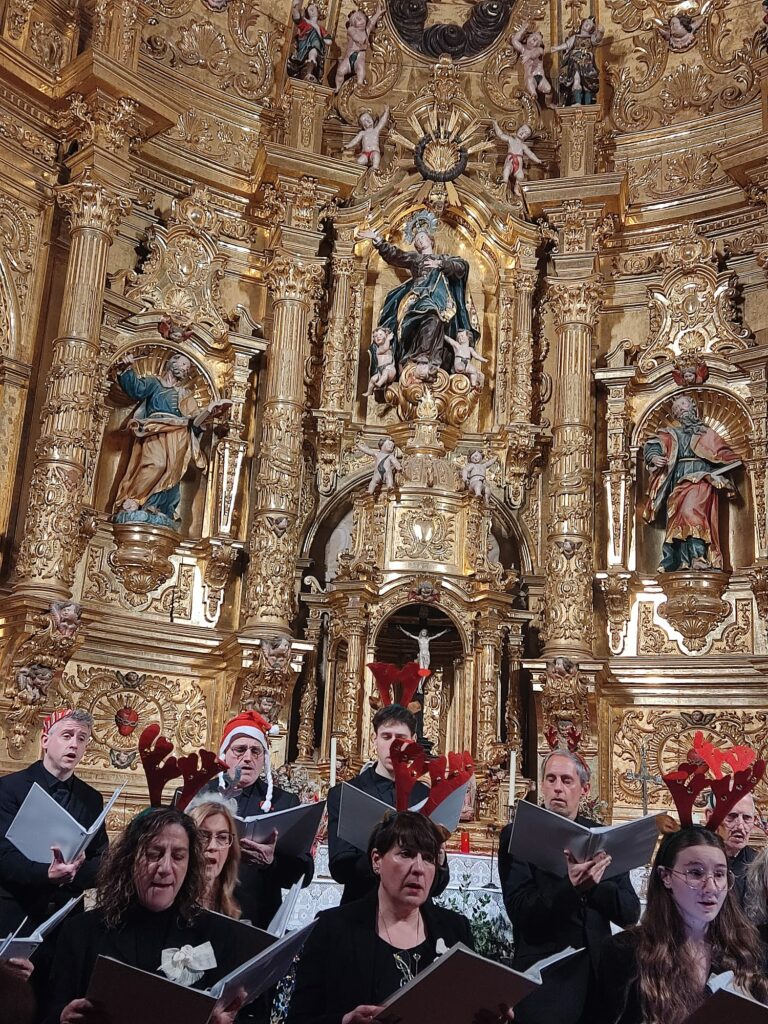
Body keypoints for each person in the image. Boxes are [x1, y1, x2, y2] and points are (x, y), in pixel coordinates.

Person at [42, 807, 246, 1024]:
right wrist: (63, 1017)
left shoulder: (217, 934)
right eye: (153, 854)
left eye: (178, 857)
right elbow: (50, 1012)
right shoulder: (81, 931)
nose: (165, 868)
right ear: (130, 859)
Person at [286, 812, 484, 1024]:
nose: (418, 868)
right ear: (376, 860)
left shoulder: (454, 929)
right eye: (406, 854)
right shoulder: (333, 928)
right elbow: (298, 1019)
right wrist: (344, 1021)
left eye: (428, 858)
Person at [498, 751, 640, 1024]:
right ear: (542, 785)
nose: (557, 788)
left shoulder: (604, 838)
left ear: (584, 789)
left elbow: (629, 912)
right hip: (546, 981)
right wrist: (571, 888)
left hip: (600, 982)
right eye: (550, 779)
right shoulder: (519, 833)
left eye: (566, 780)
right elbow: (522, 913)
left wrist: (592, 886)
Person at [595, 826, 768, 1024]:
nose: (711, 887)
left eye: (719, 874)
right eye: (695, 873)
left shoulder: (745, 948)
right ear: (665, 876)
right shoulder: (626, 951)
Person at [194, 712, 314, 929]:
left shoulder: (284, 802)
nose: (248, 758)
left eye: (256, 751)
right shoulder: (196, 794)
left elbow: (303, 874)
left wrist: (271, 862)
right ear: (225, 754)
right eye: (240, 750)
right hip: (200, 912)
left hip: (258, 917)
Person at [326, 705, 450, 905]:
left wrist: (440, 860)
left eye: (401, 738)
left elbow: (438, 885)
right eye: (386, 737)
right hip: (363, 908)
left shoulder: (426, 796)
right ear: (374, 739)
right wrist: (387, 857)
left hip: (415, 911)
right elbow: (340, 868)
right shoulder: (344, 794)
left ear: (413, 742)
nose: (394, 746)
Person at [0, 709, 107, 933]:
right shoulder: (9, 788)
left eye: (82, 739)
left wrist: (74, 871)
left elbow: (100, 858)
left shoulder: (92, 799)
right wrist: (46, 874)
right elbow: (3, 854)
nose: (74, 744)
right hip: (15, 913)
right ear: (45, 741)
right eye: (67, 736)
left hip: (67, 920)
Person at [113, 351, 230, 528]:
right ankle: (134, 499)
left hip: (178, 437)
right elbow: (136, 389)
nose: (185, 369)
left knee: (173, 473)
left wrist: (209, 413)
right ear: (172, 363)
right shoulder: (155, 383)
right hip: (155, 431)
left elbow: (194, 423)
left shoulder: (186, 395)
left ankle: (155, 506)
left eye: (188, 368)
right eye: (183, 364)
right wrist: (126, 369)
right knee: (156, 464)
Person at [359, 210, 479, 375]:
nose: (419, 240)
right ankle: (418, 356)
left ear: (430, 240)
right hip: (417, 297)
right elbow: (396, 255)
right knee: (425, 317)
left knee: (435, 319)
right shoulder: (415, 258)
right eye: (416, 240)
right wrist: (378, 241)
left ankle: (428, 358)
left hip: (439, 299)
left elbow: (462, 267)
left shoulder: (443, 259)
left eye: (422, 237)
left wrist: (440, 264)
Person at [643, 393, 740, 571]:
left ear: (693, 407)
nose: (680, 410)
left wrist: (732, 460)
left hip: (702, 478)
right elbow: (653, 445)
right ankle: (683, 561)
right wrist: (654, 457)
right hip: (678, 480)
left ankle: (698, 556)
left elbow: (724, 453)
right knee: (677, 517)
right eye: (677, 409)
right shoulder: (673, 434)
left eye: (683, 405)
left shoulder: (707, 433)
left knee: (692, 512)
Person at [187, 799, 242, 919]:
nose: (212, 846)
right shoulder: (168, 901)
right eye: (203, 835)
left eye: (222, 837)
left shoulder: (240, 906)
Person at [704, 791, 756, 905]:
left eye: (747, 818)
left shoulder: (759, 865)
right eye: (731, 816)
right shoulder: (693, 858)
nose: (740, 826)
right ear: (710, 817)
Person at [553, 17, 605, 105]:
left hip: (587, 64)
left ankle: (588, 104)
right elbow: (567, 44)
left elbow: (598, 39)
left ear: (591, 29)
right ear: (582, 23)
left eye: (590, 24)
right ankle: (577, 102)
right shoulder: (575, 37)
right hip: (575, 61)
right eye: (587, 22)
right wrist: (556, 48)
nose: (587, 24)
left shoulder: (591, 38)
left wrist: (600, 32)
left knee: (588, 83)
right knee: (576, 79)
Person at [334, 6, 384, 91]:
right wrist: (360, 39)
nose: (359, 21)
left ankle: (359, 84)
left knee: (361, 69)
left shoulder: (366, 31)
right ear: (352, 24)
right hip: (349, 57)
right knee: (340, 72)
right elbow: (355, 36)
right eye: (355, 20)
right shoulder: (351, 29)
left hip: (360, 57)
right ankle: (338, 87)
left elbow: (371, 22)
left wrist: (378, 13)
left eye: (361, 18)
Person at [288, 0, 332, 83]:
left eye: (314, 8)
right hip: (304, 46)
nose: (311, 10)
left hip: (316, 47)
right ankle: (310, 64)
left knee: (314, 45)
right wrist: (295, 8)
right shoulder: (305, 23)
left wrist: (318, 30)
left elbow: (329, 42)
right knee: (314, 41)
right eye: (310, 9)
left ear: (319, 12)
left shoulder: (320, 28)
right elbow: (297, 18)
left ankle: (311, 65)